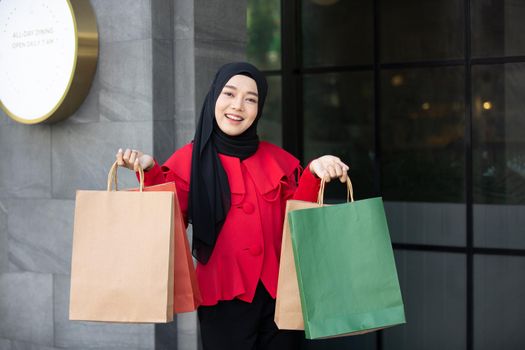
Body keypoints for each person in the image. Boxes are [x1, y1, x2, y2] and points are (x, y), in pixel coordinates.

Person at [116, 62, 349, 349]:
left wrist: (315, 171)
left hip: (282, 298)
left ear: (259, 108)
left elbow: (301, 218)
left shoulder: (279, 160)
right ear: (214, 97)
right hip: (223, 298)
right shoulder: (188, 160)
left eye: (250, 99)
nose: (238, 106)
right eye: (229, 94)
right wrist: (149, 171)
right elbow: (167, 220)